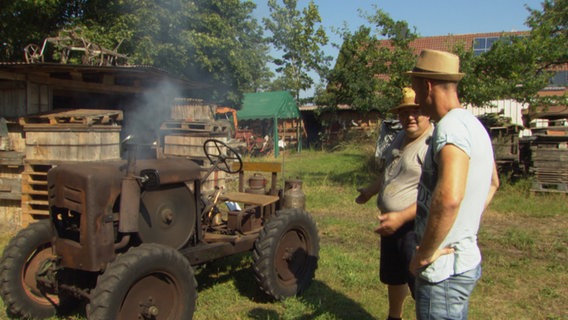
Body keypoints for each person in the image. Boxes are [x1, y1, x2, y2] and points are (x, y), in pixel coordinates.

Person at [406, 49, 500, 319]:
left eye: (415, 89)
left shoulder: (450, 128)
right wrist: (463, 228)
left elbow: (449, 198)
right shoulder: (474, 125)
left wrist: (424, 254)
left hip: (443, 273)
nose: (415, 99)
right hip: (460, 263)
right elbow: (493, 182)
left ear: (427, 86)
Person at [356, 87, 433, 320]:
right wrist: (370, 192)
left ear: (427, 113)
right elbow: (390, 173)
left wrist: (401, 217)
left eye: (416, 111)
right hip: (391, 224)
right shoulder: (401, 136)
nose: (409, 117)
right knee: (395, 276)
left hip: (414, 227)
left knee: (419, 282)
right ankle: (394, 317)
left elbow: (437, 195)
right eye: (404, 112)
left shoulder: (432, 144)